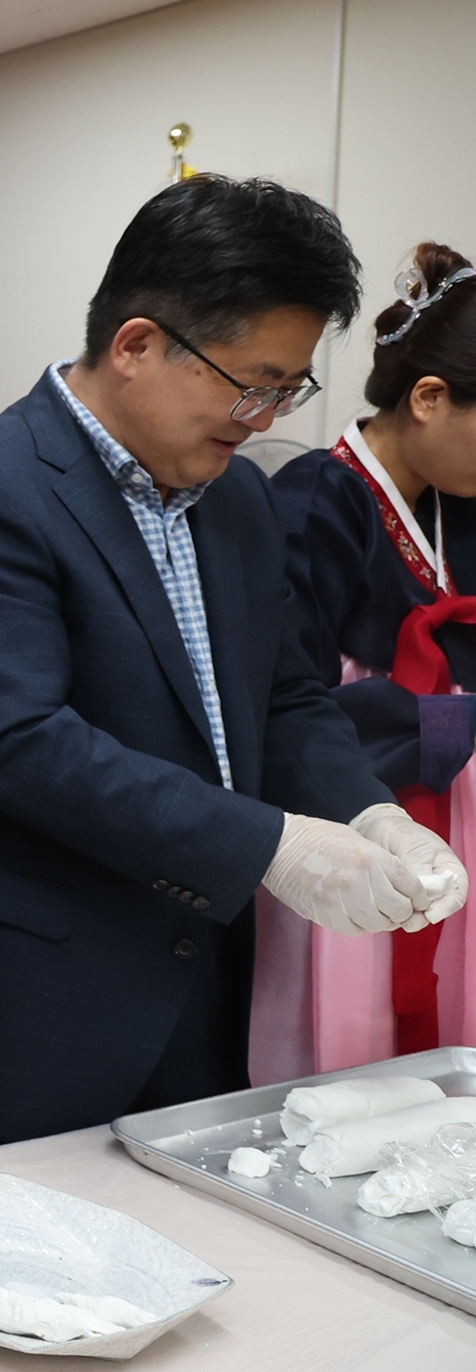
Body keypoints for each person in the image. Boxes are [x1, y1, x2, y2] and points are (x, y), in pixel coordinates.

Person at [0, 177, 469, 1163]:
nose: (263, 418)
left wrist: (364, 812)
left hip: (197, 996)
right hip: (16, 1012)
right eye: (249, 382)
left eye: (288, 389)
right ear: (135, 345)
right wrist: (270, 846)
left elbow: (284, 696)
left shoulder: (240, 500)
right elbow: (14, 742)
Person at [267, 243, 476, 1076]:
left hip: (455, 795)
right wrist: (444, 717)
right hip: (358, 803)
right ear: (429, 398)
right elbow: (291, 700)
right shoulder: (311, 500)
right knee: (352, 1026)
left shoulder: (457, 504)